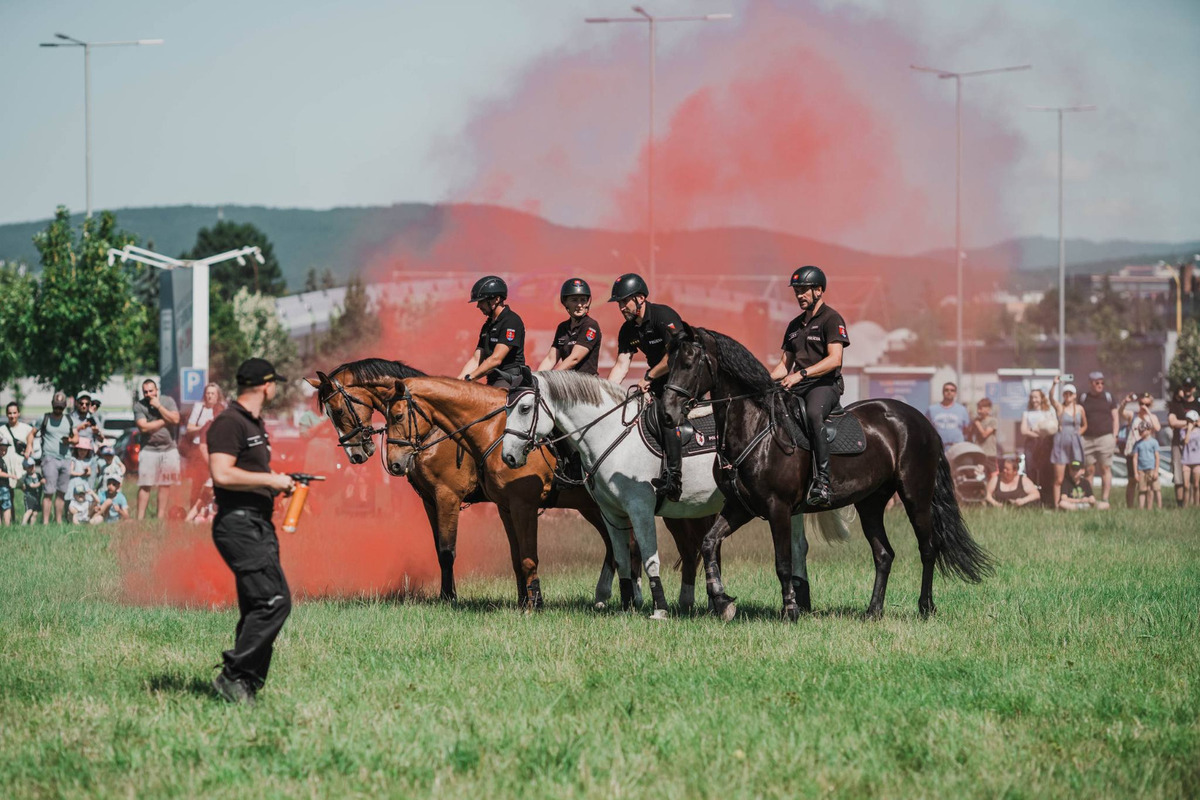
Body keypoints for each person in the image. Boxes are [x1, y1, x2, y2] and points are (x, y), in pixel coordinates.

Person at [207, 357, 296, 705]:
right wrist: (268, 479)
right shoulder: (229, 423)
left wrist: (276, 485)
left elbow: (247, 473)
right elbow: (222, 474)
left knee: (257, 606)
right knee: (275, 602)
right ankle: (232, 676)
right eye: (275, 384)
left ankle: (245, 686)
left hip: (257, 522)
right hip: (238, 524)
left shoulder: (254, 425)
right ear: (266, 385)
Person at [768, 266, 850, 507]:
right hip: (798, 384)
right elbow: (784, 366)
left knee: (814, 414)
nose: (799, 295)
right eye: (797, 291)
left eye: (804, 290)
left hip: (824, 386)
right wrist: (760, 381)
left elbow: (835, 359)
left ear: (819, 290)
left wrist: (801, 374)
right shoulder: (794, 326)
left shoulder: (832, 319)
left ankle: (823, 482)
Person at [608, 273, 692, 502]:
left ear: (641, 298)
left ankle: (674, 478)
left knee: (667, 412)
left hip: (684, 378)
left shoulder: (663, 316)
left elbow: (677, 353)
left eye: (625, 301)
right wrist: (604, 393)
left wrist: (649, 376)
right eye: (619, 302)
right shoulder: (628, 330)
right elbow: (621, 364)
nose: (621, 307)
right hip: (659, 379)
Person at [457, 275, 526, 390]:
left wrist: (470, 378)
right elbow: (476, 359)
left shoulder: (511, 321)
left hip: (509, 380)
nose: (478, 306)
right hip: (493, 380)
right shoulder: (487, 325)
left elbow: (496, 359)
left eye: (482, 301)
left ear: (497, 299)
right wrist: (458, 381)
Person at [134, 379, 182, 520]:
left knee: (165, 484)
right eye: (146, 392)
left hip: (169, 449)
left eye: (151, 391)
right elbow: (143, 427)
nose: (149, 394)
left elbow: (176, 419)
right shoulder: (139, 406)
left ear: (157, 390)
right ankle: (140, 519)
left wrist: (159, 407)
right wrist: (164, 421)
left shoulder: (167, 401)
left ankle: (160, 517)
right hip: (148, 449)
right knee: (145, 484)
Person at [536, 278, 603, 375]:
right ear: (565, 302)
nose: (579, 305)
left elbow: (574, 359)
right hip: (567, 383)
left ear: (588, 302)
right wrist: (537, 378)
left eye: (583, 300)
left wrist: (552, 378)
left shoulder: (590, 325)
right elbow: (551, 359)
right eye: (574, 300)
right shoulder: (562, 327)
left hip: (586, 385)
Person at [36, 391, 78, 524]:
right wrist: (29, 446)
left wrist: (70, 441)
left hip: (65, 459)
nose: (58, 409)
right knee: (49, 492)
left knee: (61, 492)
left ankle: (58, 521)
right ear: (52, 404)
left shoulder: (69, 420)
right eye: (56, 406)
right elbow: (31, 434)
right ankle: (45, 523)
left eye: (61, 407)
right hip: (49, 458)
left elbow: (76, 438)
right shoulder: (44, 418)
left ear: (65, 406)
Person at [1078, 371, 1119, 506]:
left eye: (1102, 382)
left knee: (1105, 468)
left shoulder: (1108, 397)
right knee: (1089, 470)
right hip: (1087, 439)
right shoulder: (1083, 398)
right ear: (1090, 384)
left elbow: (1115, 417)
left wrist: (1115, 435)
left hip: (1105, 438)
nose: (1100, 385)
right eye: (1097, 383)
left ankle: (1105, 498)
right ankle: (1090, 499)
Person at [184, 382, 226, 506]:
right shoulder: (199, 407)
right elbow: (189, 428)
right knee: (198, 482)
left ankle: (209, 509)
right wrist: (203, 428)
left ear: (218, 396)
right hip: (198, 449)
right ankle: (193, 510)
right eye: (208, 393)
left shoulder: (221, 409)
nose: (210, 396)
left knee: (213, 480)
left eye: (213, 393)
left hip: (215, 449)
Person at [1049, 378, 1087, 509]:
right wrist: (1054, 384)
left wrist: (1078, 434)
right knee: (1058, 478)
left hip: (1075, 444)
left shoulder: (1080, 409)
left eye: (1070, 393)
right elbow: (1051, 399)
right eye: (1066, 393)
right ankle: (1056, 506)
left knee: (1076, 474)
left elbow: (1085, 425)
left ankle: (1077, 501)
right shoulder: (1061, 408)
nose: (1068, 396)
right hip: (1061, 443)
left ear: (1075, 395)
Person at [1120, 392, 1162, 509]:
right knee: (1133, 480)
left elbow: (1157, 428)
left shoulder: (1152, 417)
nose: (1143, 406)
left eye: (1147, 404)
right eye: (1141, 403)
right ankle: (1130, 507)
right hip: (1133, 452)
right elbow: (1120, 413)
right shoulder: (1132, 415)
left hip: (1147, 455)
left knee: (1148, 483)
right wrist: (1125, 402)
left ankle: (1147, 508)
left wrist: (1148, 412)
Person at [1019, 387, 1055, 507]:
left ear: (1041, 398)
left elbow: (1052, 429)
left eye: (1036, 397)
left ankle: (1047, 500)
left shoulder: (1048, 412)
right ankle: (1033, 500)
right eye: (1032, 397)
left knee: (1046, 472)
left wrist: (1037, 431)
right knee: (1031, 470)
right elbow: (1024, 430)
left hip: (1045, 445)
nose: (1034, 400)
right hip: (1032, 444)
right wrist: (1037, 433)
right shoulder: (1027, 413)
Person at [1166, 378, 1200, 508]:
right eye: (1185, 386)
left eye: (1190, 387)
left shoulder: (1198, 403)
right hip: (1178, 443)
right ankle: (1181, 504)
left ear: (1194, 389)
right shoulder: (1176, 404)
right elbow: (1172, 422)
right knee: (1179, 475)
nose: (1187, 389)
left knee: (1196, 479)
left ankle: (1195, 505)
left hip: (1196, 444)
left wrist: (1184, 425)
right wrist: (1192, 423)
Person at [927, 383, 970, 451]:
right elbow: (927, 428)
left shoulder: (962, 409)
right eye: (946, 390)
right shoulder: (931, 409)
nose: (949, 392)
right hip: (938, 447)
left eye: (952, 390)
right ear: (943, 392)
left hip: (957, 447)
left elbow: (966, 429)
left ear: (955, 393)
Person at [1130, 424, 1162, 509]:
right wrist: (1136, 473)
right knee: (1142, 490)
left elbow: (1157, 457)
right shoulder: (1137, 444)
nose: (1140, 432)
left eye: (1142, 430)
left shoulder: (1154, 442)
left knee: (1154, 489)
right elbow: (1135, 458)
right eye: (1139, 430)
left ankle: (1158, 507)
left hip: (1151, 469)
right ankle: (1141, 508)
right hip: (1141, 470)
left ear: (1149, 430)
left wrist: (1156, 470)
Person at [971, 398, 999, 477]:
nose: (979, 410)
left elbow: (984, 434)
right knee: (978, 475)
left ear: (988, 409)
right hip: (979, 453)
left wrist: (978, 424)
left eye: (981, 408)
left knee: (993, 475)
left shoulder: (992, 421)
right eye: (978, 408)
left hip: (989, 453)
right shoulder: (977, 421)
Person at [1181, 409, 1200, 508]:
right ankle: (1185, 506)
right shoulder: (1183, 431)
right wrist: (1188, 429)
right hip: (1186, 461)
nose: (1189, 423)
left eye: (1191, 421)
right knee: (1186, 485)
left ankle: (1197, 505)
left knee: (1196, 485)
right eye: (1188, 420)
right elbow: (1186, 441)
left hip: (1197, 461)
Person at [19, 457, 44, 525]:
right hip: (29, 497)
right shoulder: (27, 477)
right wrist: (40, 483)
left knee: (35, 513)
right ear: (25, 468)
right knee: (29, 511)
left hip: (37, 497)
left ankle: (31, 526)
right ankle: (23, 524)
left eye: (33, 466)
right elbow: (32, 485)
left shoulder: (38, 475)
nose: (32, 468)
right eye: (29, 467)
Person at [0, 439, 18, 525]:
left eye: (5, 450)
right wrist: (11, 476)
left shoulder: (2, 459)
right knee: (6, 506)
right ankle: (7, 525)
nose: (3, 452)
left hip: (4, 486)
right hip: (2, 487)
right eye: (1, 450)